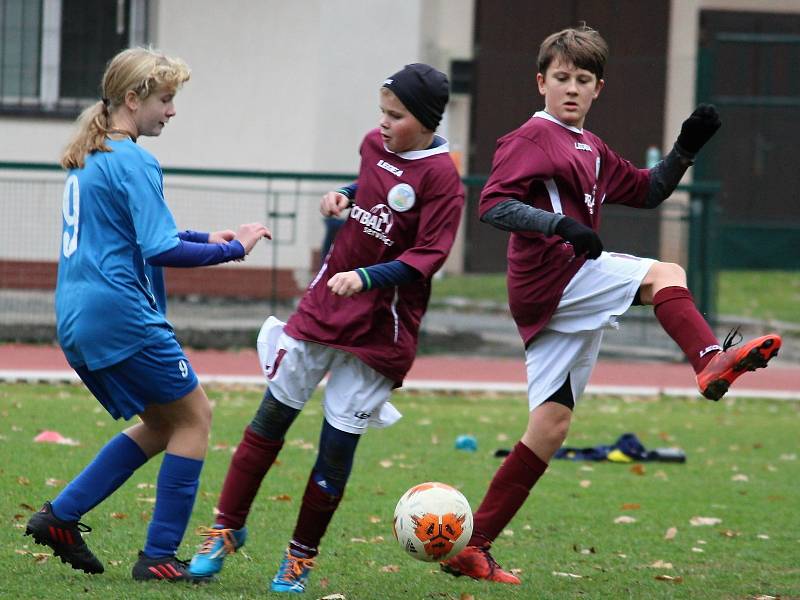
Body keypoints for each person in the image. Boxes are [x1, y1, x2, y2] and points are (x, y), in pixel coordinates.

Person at [440, 25, 782, 585]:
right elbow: (494, 206)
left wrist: (686, 148)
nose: (570, 88)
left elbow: (647, 191)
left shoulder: (591, 147)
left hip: (557, 289)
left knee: (549, 426)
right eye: (560, 78)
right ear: (540, 82)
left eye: (582, 79)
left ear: (598, 88)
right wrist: (561, 226)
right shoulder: (531, 137)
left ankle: (472, 545)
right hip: (553, 275)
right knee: (664, 273)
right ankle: (707, 359)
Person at [187, 63, 464, 593]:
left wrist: (365, 277)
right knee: (268, 420)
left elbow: (427, 257)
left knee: (335, 450)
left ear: (426, 121)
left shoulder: (443, 179)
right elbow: (373, 188)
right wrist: (344, 195)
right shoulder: (371, 144)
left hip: (381, 330)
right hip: (324, 306)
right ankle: (225, 529)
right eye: (381, 113)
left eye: (396, 116)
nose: (382, 124)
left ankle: (299, 558)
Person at [24, 47, 271, 583]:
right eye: (166, 99)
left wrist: (209, 236)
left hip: (77, 315)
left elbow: (141, 235)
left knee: (162, 423)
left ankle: (59, 518)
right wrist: (234, 250)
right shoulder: (136, 159)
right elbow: (159, 248)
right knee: (195, 418)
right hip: (120, 315)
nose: (172, 111)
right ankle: (158, 556)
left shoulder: (93, 154)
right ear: (133, 100)